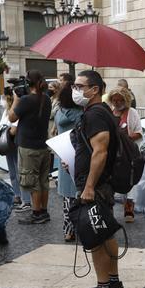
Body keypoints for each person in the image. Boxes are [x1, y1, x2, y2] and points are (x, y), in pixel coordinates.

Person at [70, 69, 123, 288]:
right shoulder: (97, 112)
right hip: (101, 183)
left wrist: (89, 186)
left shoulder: (95, 114)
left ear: (95, 90)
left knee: (95, 235)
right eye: (75, 86)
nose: (76, 90)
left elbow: (100, 151)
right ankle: (113, 283)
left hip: (96, 185)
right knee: (105, 231)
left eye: (80, 86)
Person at [8, 70, 53, 225]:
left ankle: (36, 213)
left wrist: (15, 99)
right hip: (43, 146)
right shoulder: (46, 99)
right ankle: (44, 212)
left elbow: (11, 117)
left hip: (28, 147)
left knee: (32, 180)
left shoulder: (26, 100)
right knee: (43, 180)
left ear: (28, 83)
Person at [53, 72, 83, 242]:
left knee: (67, 197)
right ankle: (75, 228)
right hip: (75, 155)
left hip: (64, 153)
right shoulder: (77, 114)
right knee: (74, 194)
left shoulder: (59, 111)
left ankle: (69, 229)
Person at [107, 87, 142, 222]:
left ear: (126, 100)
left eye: (120, 100)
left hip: (129, 153)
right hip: (114, 153)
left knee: (129, 179)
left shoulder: (132, 112)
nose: (117, 102)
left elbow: (138, 132)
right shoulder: (110, 112)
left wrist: (124, 138)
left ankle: (129, 209)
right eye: (114, 100)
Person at [0, 92, 32, 212]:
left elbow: (13, 130)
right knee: (12, 172)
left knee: (19, 172)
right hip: (8, 144)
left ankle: (26, 200)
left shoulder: (16, 112)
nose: (1, 101)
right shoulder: (5, 112)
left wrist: (2, 132)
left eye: (3, 98)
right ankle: (17, 196)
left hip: (15, 143)